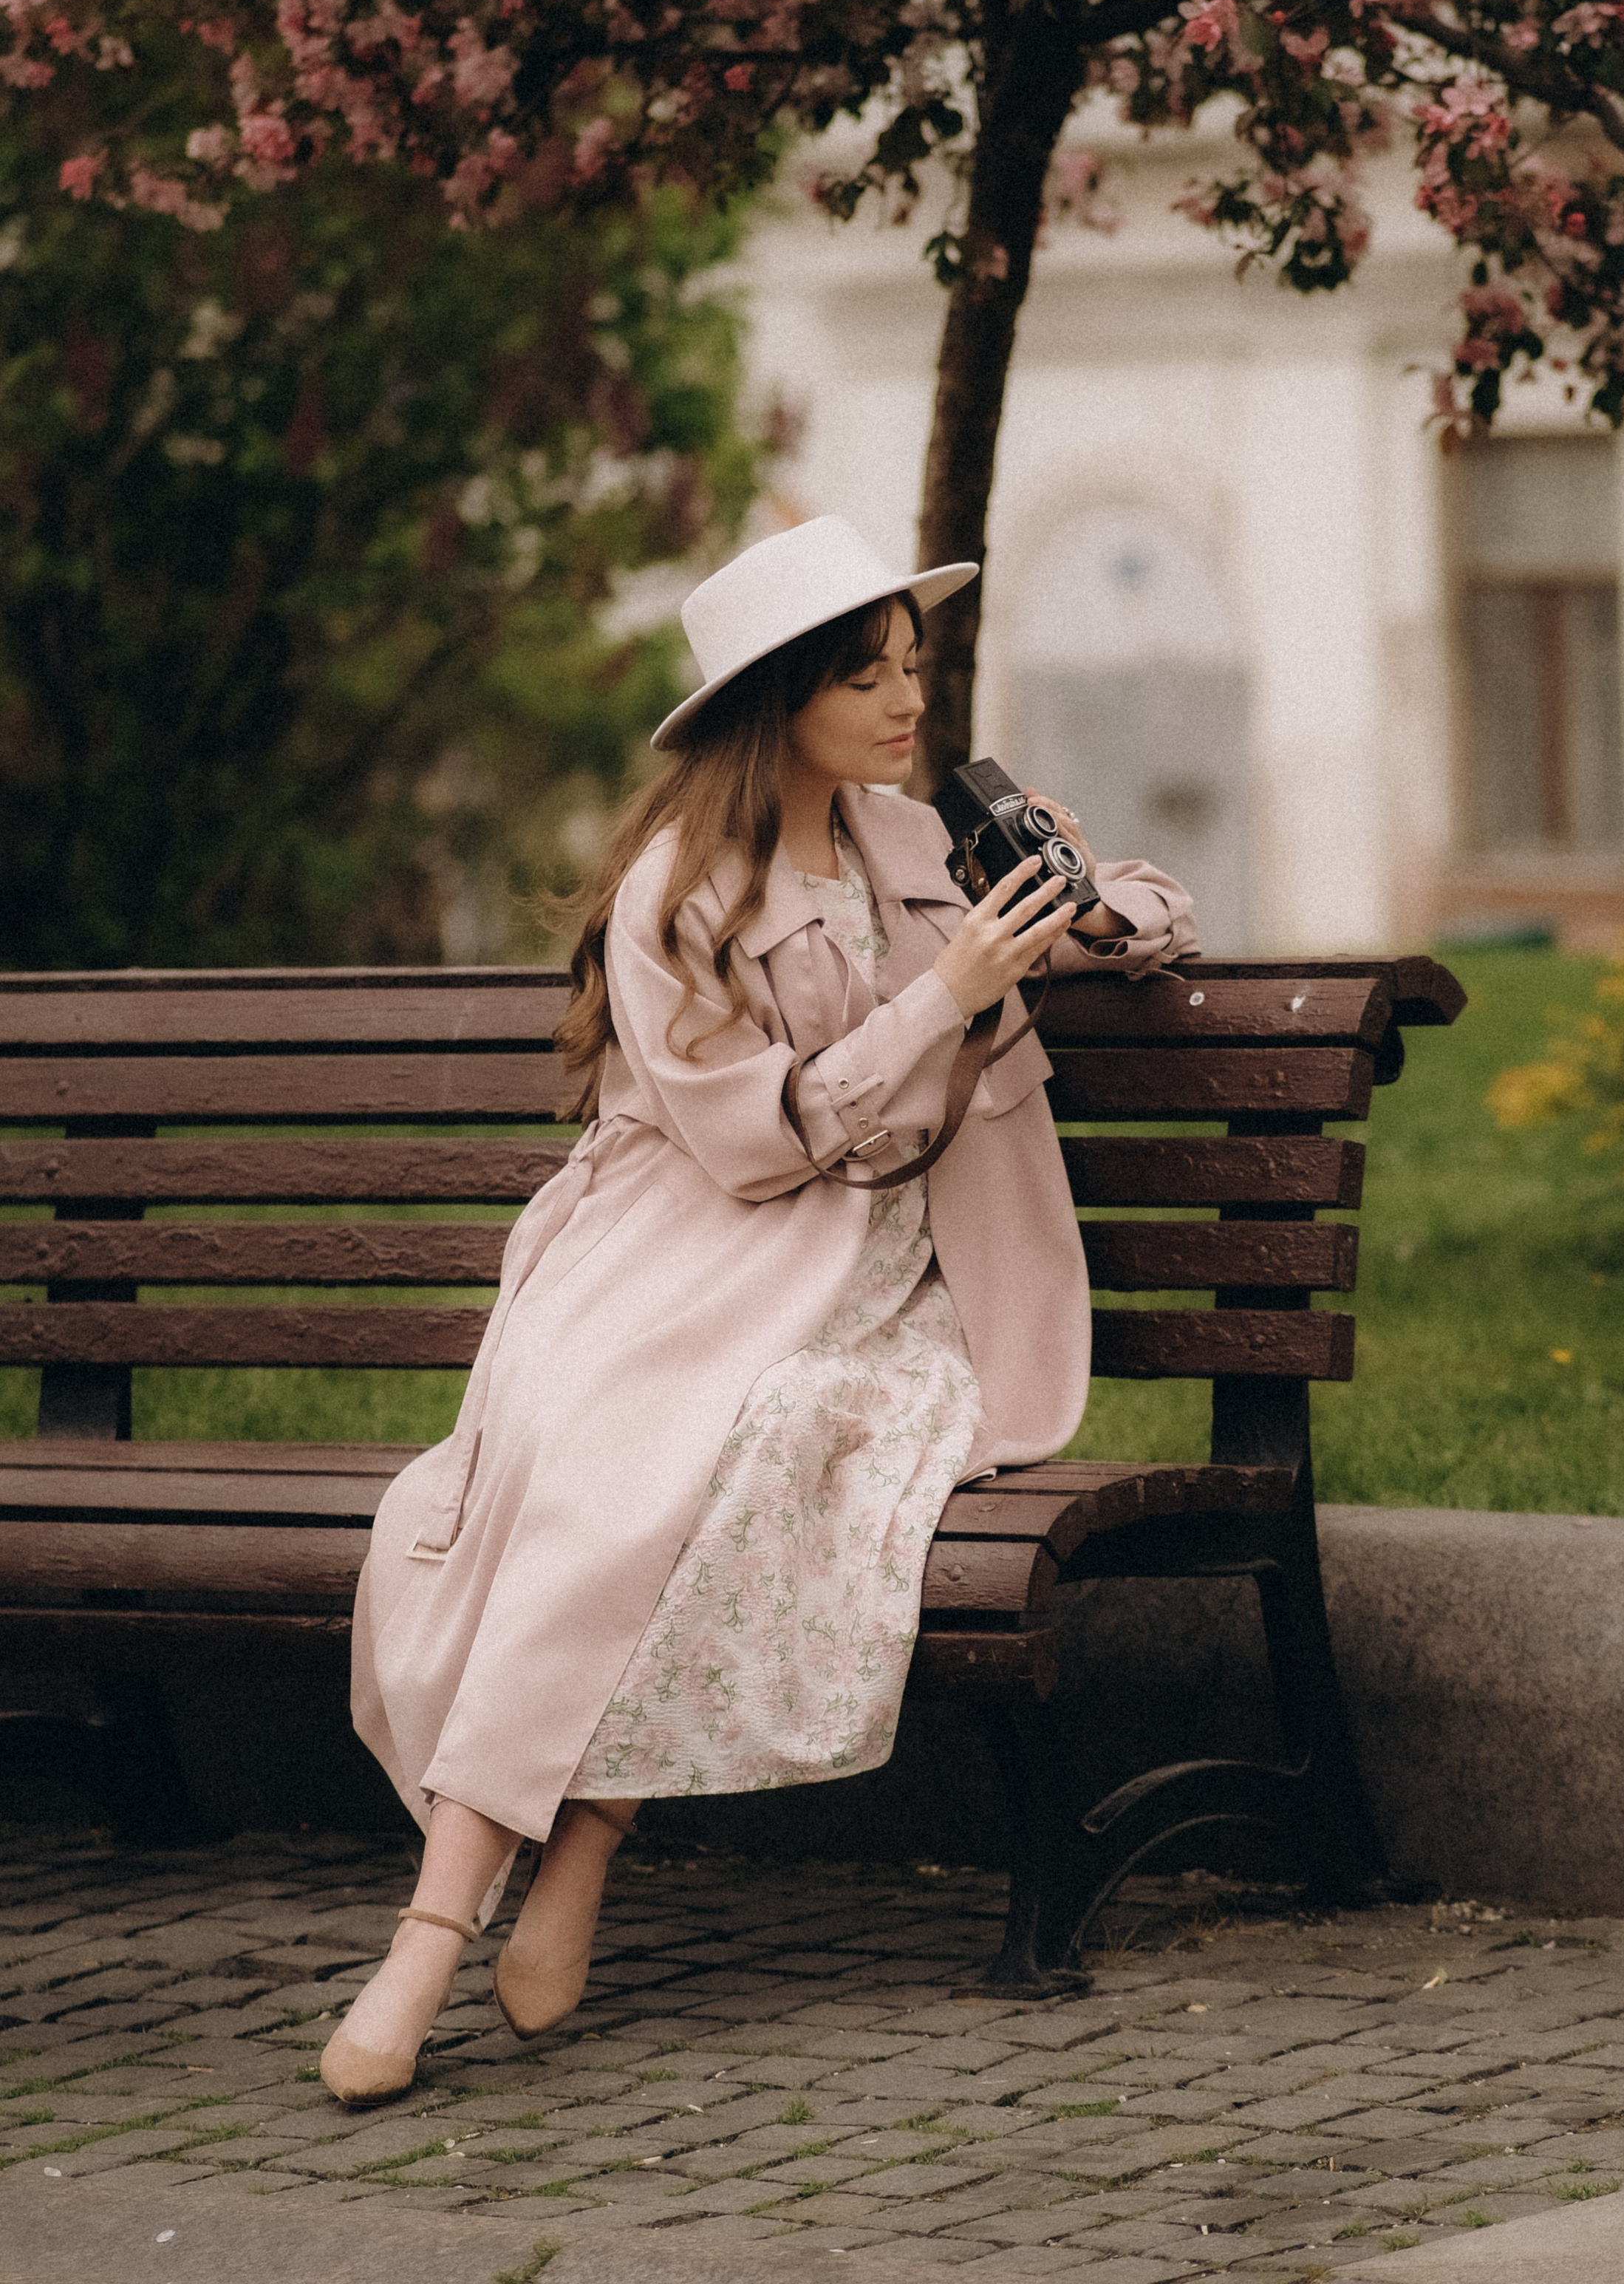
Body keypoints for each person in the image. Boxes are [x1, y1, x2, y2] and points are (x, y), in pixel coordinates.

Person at [321, 514, 1196, 2105]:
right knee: (606, 1492)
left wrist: (1084, 900)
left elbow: (1148, 908)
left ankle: (571, 1873)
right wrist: (945, 994)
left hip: (884, 1277)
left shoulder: (917, 842)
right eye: (864, 677)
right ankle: (430, 1938)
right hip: (684, 1253)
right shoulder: (678, 889)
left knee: (747, 1470)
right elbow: (751, 1142)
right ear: (777, 698)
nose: (902, 700)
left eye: (911, 668)